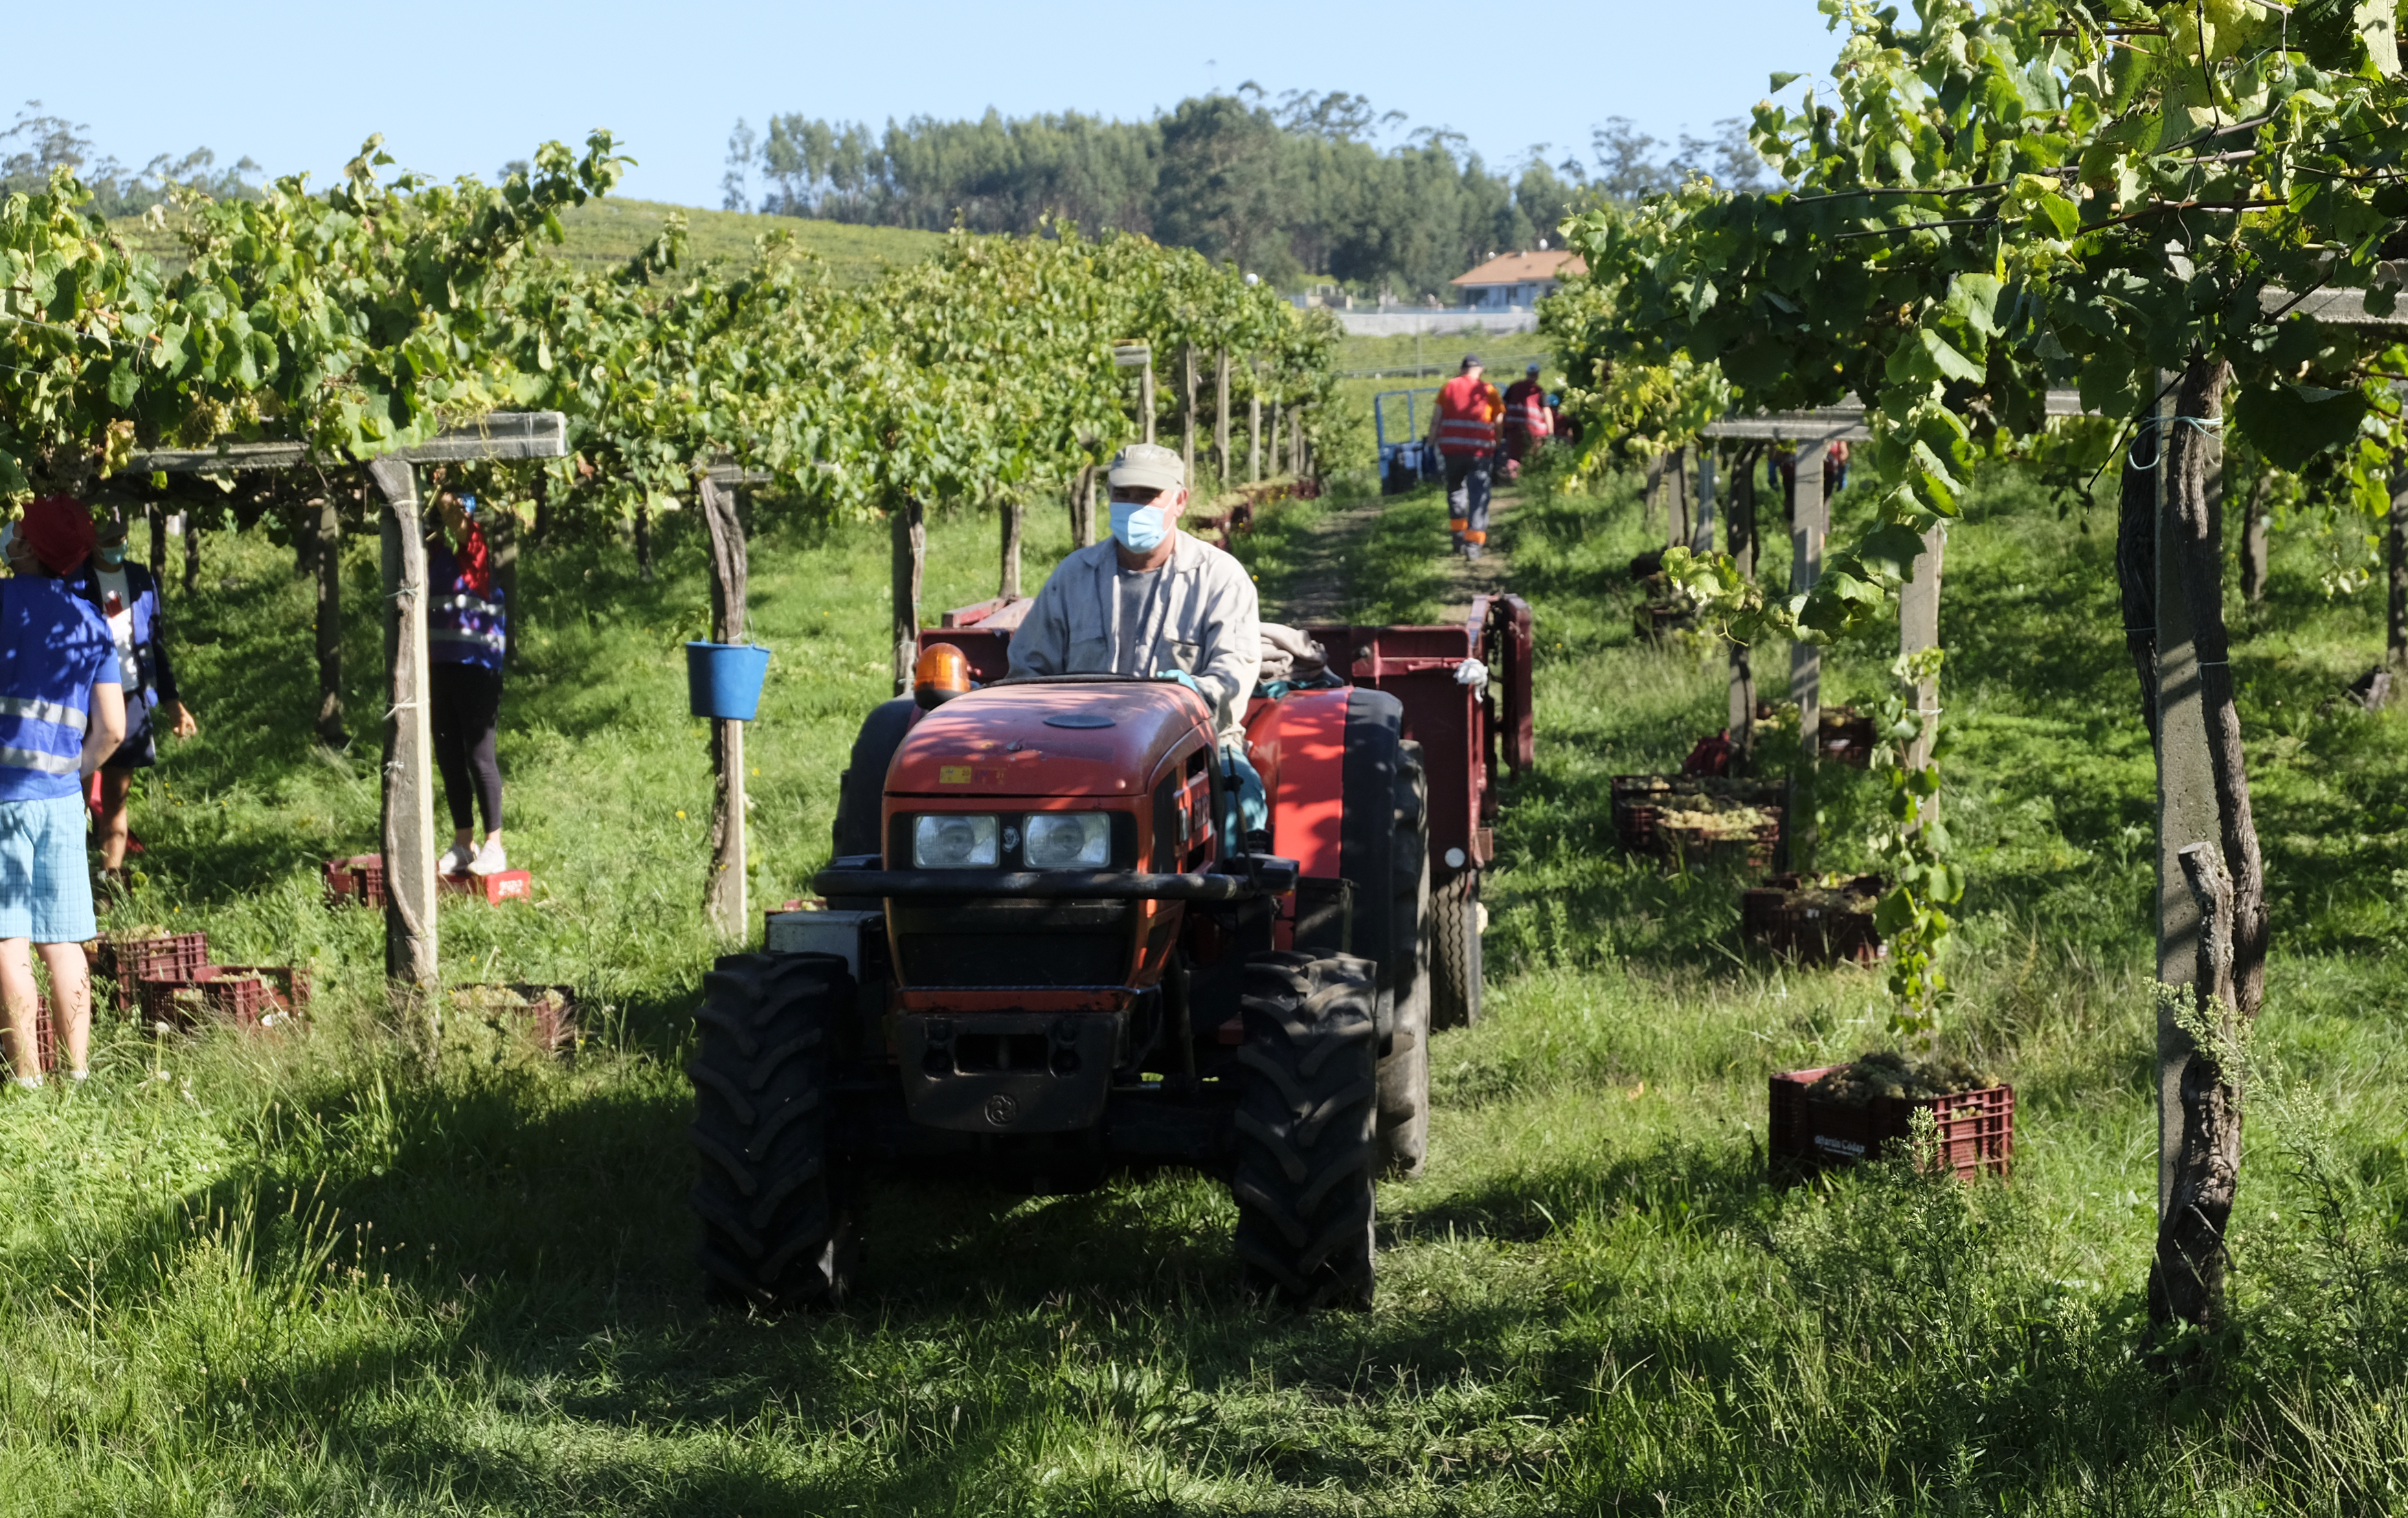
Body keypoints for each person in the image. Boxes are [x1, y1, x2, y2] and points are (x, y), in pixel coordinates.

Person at [1008, 443, 1266, 836]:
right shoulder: (1074, 575)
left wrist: (1187, 700)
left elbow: (1232, 678)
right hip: (1078, 746)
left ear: (1179, 501)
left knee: (1240, 803)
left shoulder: (1220, 578)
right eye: (1122, 495)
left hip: (1190, 747)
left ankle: (1235, 896)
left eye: (1147, 496)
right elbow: (1027, 671)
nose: (1133, 506)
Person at [0, 500, 126, 1090]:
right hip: (58, 799)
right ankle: (77, 1075)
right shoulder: (90, 622)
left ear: (27, 549)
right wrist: (72, 775)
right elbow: (114, 730)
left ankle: (25, 1080)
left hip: (3, 799)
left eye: (17, 532)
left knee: (9, 940)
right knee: (64, 940)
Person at [68, 513, 195, 889]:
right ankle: (70, 872)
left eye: (122, 538)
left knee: (116, 798)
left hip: (130, 696)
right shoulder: (74, 581)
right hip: (85, 696)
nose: (118, 546)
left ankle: (110, 879)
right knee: (75, 791)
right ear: (91, 543)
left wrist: (173, 702)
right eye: (109, 540)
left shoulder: (140, 579)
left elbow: (154, 644)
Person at [427, 490, 509, 878]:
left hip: (478, 667)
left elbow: (455, 520)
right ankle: (464, 843)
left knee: (480, 756)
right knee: (448, 759)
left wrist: (439, 488)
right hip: (440, 668)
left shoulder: (474, 550)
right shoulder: (430, 557)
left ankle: (495, 846)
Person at [1428, 355, 1499, 560]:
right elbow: (1499, 420)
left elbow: (1435, 420)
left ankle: (1458, 538)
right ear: (1481, 370)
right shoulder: (1489, 390)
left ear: (1462, 369)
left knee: (1456, 491)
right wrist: (1498, 442)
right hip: (1480, 454)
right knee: (1478, 496)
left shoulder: (1448, 388)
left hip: (1452, 452)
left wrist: (1431, 446)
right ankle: (1473, 545)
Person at [1501, 361, 1553, 478]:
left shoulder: (1514, 387)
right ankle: (1531, 479)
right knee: (1533, 455)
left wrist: (1502, 426)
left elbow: (1503, 406)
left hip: (1513, 427)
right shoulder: (1538, 391)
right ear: (1537, 375)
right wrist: (1550, 432)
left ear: (1527, 373)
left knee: (1514, 456)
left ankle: (1514, 480)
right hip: (1533, 430)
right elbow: (1547, 412)